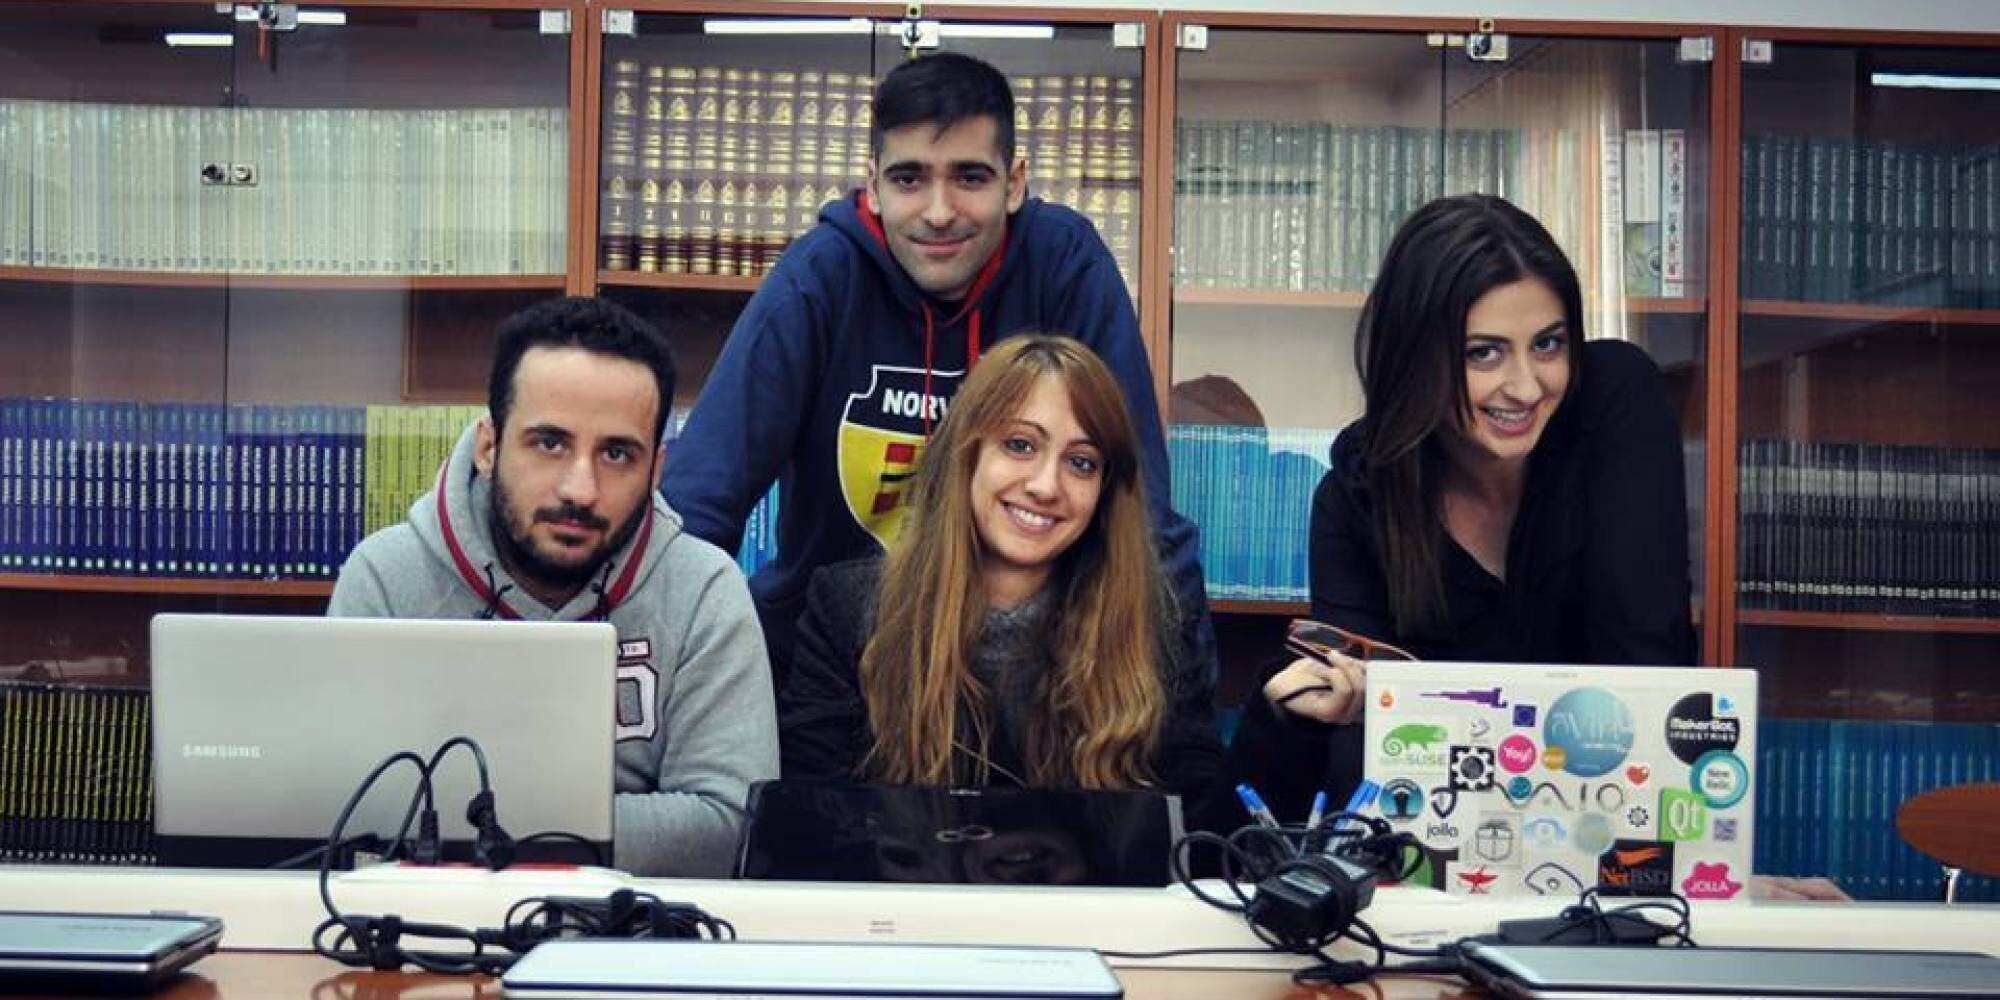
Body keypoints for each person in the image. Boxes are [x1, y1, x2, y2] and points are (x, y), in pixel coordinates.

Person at [659, 51, 1214, 696]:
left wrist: (1183, 723)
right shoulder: (818, 276)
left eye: (970, 177)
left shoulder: (1064, 263)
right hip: (827, 669)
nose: (940, 211)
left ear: (1015, 182)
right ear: (873, 184)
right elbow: (697, 505)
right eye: (909, 178)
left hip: (1029, 676)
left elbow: (1140, 507)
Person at [1221, 193, 1697, 823]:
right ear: (1416, 356)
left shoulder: (1615, 401)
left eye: (1548, 344)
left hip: (1617, 823)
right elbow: (1361, 761)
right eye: (1484, 352)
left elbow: (1647, 672)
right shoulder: (1358, 497)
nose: (1526, 386)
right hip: (1428, 851)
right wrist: (1303, 711)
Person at [329, 296, 776, 878]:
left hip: (634, 924)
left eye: (617, 454)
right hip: (418, 924)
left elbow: (729, 829)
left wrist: (460, 831)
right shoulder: (386, 578)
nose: (580, 490)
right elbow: (346, 817)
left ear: (656, 472)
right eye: (549, 443)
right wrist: (593, 833)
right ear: (488, 447)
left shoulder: (704, 591)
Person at [777, 335, 1218, 806]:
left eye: (1080, 462)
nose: (1046, 486)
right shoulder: (846, 610)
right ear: (966, 455)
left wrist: (1267, 725)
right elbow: (812, 818)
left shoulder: (1157, 626)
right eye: (1020, 445)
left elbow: (1202, 825)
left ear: (1105, 491)